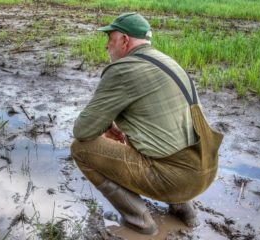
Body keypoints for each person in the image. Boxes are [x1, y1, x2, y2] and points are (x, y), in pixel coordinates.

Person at [70, 12, 223, 235]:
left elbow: (82, 130)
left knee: (80, 148)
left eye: (109, 38)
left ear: (124, 40)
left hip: (177, 179)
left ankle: (140, 223)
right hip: (206, 170)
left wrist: (104, 126)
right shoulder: (166, 61)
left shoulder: (124, 69)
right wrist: (116, 127)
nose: (106, 46)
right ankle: (184, 211)